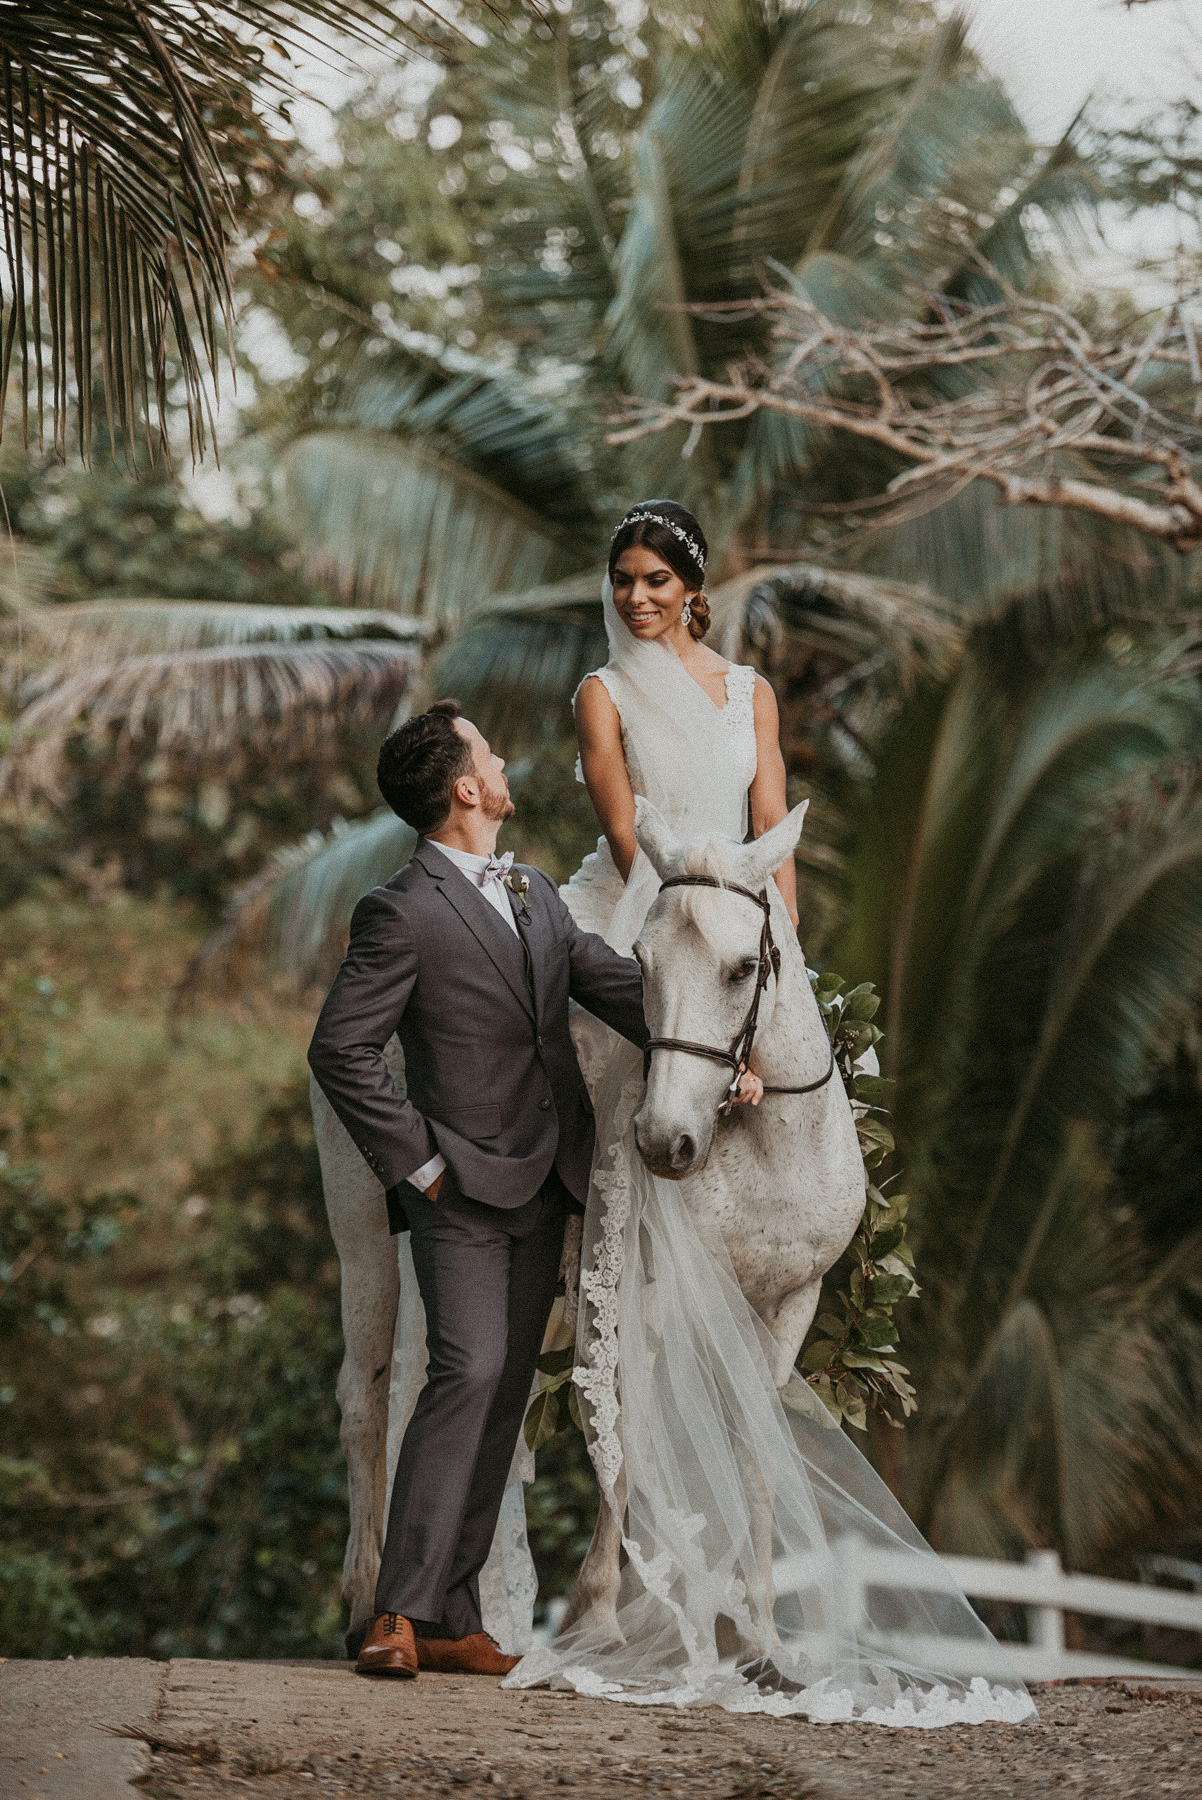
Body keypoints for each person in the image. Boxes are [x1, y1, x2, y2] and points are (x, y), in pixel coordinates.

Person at [503, 502, 1035, 1727]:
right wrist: (691, 927)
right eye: (621, 580)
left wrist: (781, 957)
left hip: (744, 928)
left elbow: (772, 832)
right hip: (641, 911)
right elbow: (624, 829)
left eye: (654, 581)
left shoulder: (748, 692)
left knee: (800, 1080)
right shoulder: (601, 689)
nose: (634, 598)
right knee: (587, 1053)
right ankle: (578, 1233)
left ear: (694, 588)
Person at [307, 699, 759, 1680]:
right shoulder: (399, 909)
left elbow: (610, 986)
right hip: (455, 1194)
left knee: (502, 1390)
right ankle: (394, 1611)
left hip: (545, 1183)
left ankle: (449, 1613)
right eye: (489, 753)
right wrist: (415, 1162)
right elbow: (339, 1050)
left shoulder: (531, 893)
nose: (505, 762)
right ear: (466, 788)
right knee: (465, 1373)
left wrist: (716, 1057)